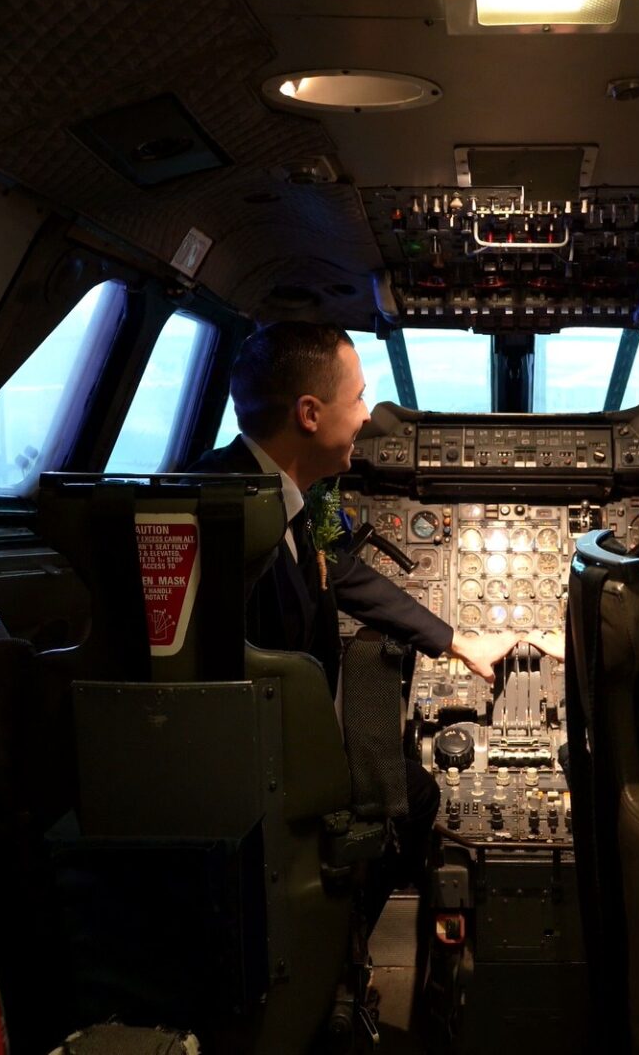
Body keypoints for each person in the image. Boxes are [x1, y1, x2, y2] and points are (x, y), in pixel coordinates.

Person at [189, 321, 520, 917]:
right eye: (359, 396)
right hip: (254, 765)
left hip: (287, 737)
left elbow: (339, 571)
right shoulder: (222, 512)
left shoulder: (291, 492)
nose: (368, 414)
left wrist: (456, 641)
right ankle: (341, 929)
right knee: (413, 794)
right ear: (309, 414)